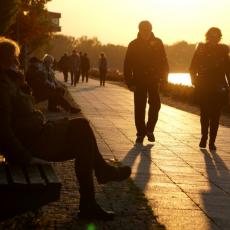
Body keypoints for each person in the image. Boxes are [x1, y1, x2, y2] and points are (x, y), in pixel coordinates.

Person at [0, 36, 131, 220]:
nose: (18, 60)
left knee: (82, 133)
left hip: (39, 135)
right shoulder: (3, 86)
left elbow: (22, 111)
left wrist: (23, 85)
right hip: (35, 143)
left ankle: (92, 196)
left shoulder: (11, 81)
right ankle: (96, 186)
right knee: (81, 129)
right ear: (6, 59)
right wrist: (28, 159)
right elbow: (3, 132)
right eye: (14, 57)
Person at [124, 20, 169, 144]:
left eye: (147, 30)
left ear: (151, 29)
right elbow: (127, 65)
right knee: (139, 107)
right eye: (143, 30)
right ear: (139, 30)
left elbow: (164, 62)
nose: (145, 32)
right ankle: (140, 133)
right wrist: (129, 82)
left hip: (154, 79)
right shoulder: (133, 44)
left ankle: (149, 129)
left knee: (156, 105)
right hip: (138, 80)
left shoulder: (158, 43)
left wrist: (165, 79)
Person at [189, 27, 230, 151]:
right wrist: (194, 81)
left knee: (215, 115)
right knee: (205, 114)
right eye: (211, 36)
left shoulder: (223, 51)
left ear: (219, 38)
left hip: (218, 86)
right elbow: (192, 68)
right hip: (203, 85)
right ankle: (204, 137)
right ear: (208, 36)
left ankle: (212, 141)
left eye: (216, 36)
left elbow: (228, 70)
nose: (213, 38)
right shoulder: (201, 49)